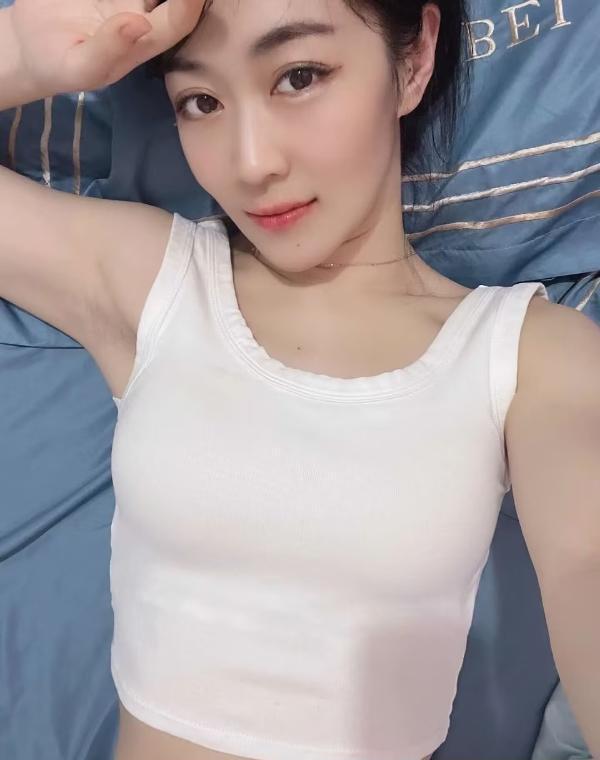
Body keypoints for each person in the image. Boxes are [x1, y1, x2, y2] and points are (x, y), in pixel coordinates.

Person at [1, 1, 599, 760]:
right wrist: (21, 50)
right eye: (201, 101)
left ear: (413, 59)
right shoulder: (152, 282)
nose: (252, 163)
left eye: (300, 76)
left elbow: (587, 561)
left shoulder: (530, 356)